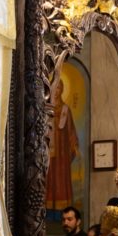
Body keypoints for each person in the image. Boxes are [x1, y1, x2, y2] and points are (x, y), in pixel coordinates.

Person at [45, 80, 80, 219]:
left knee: (60, 180)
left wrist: (74, 145)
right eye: (54, 88)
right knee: (49, 179)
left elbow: (71, 130)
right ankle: (48, 211)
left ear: (62, 90)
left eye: (59, 88)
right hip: (48, 152)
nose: (56, 91)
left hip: (61, 153)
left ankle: (62, 213)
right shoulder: (46, 108)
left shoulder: (65, 110)